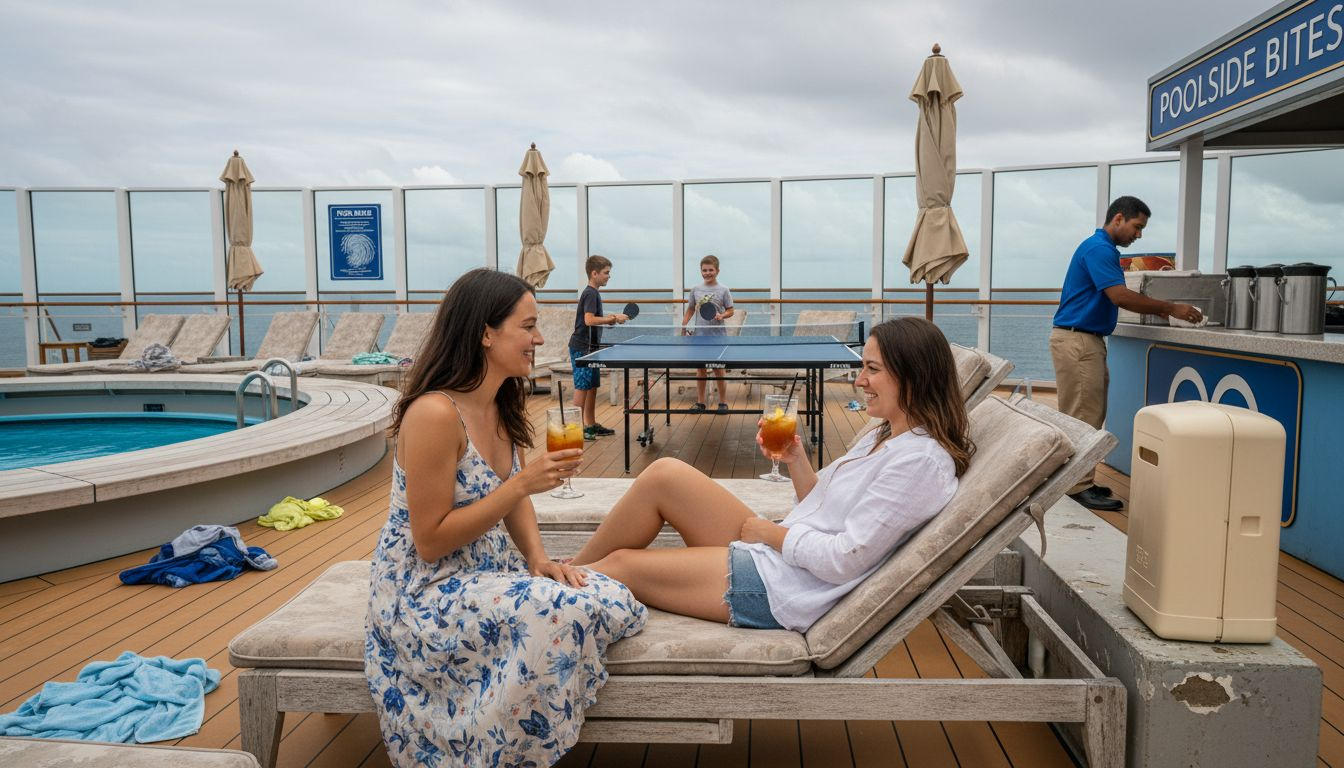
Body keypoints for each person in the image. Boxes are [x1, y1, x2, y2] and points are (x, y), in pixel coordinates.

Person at [364, 268, 646, 768]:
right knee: (559, 611)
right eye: (528, 326)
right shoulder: (435, 414)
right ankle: (503, 753)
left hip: (487, 572)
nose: (539, 339)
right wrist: (521, 483)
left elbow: (516, 501)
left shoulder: (500, 401)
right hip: (427, 590)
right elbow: (430, 541)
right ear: (486, 334)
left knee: (601, 592)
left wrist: (537, 559)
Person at [570, 317, 972, 632]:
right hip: (784, 558)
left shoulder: (918, 463)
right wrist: (796, 460)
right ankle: (564, 572)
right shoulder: (884, 435)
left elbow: (846, 558)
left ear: (913, 376)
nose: (859, 379)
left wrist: (771, 534)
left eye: (872, 369)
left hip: (783, 588)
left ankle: (552, 591)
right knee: (665, 474)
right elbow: (825, 509)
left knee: (623, 564)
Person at [1051, 196, 1204, 512]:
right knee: (1084, 418)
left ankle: (1077, 481)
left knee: (1085, 415)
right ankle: (1076, 487)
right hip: (1080, 341)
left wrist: (1157, 307)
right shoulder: (1100, 249)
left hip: (1081, 340)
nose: (1139, 234)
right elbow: (1119, 296)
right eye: (1137, 226)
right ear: (1118, 218)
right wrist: (1171, 308)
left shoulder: (1098, 248)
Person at [569, 254, 628, 441]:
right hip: (582, 348)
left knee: (592, 386)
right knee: (582, 387)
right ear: (594, 273)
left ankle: (591, 424)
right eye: (606, 273)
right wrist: (612, 319)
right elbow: (588, 320)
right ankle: (576, 430)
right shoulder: (590, 293)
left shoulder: (594, 293)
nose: (609, 276)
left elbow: (594, 320)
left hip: (592, 348)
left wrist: (609, 320)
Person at [681, 254, 736, 412]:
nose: (707, 273)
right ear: (701, 271)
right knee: (700, 370)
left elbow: (731, 310)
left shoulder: (724, 290)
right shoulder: (695, 290)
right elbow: (691, 309)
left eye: (710, 270)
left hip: (718, 337)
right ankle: (700, 403)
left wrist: (722, 315)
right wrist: (684, 325)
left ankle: (723, 403)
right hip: (699, 337)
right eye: (704, 270)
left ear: (717, 271)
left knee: (719, 369)